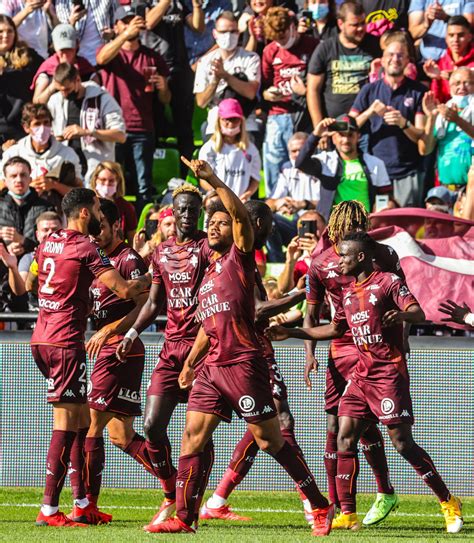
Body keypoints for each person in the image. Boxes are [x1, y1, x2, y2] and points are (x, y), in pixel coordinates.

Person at [145, 157, 334, 535]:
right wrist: (191, 362)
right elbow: (207, 323)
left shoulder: (239, 258)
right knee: (192, 436)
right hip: (212, 366)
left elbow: (239, 216)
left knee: (269, 440)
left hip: (244, 363)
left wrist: (212, 179)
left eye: (221, 223)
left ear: (235, 229)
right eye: (209, 223)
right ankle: (184, 518)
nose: (213, 227)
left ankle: (319, 504)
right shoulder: (210, 271)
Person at [268, 231, 463, 534]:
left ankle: (448, 501)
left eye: (344, 256)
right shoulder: (347, 293)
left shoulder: (387, 281)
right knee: (344, 435)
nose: (339, 261)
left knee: (402, 443)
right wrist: (292, 333)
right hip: (362, 374)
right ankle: (347, 513)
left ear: (360, 257)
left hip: (388, 373)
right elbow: (334, 330)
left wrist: (400, 316)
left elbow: (418, 312)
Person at [30, 187, 150, 527]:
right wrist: (154, 278)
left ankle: (82, 504)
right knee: (66, 423)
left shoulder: (48, 241)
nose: (100, 213)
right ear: (85, 212)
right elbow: (125, 290)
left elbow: (33, 277)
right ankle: (49, 509)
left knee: (82, 420)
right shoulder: (85, 247)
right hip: (66, 341)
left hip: (41, 337)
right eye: (97, 207)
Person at [200, 199, 311, 523]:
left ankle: (216, 500)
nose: (271, 229)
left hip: (248, 351)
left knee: (262, 429)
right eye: (266, 222)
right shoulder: (238, 259)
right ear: (256, 225)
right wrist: (301, 294)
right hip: (248, 355)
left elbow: (257, 311)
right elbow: (258, 309)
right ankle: (311, 501)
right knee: (280, 421)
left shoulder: (234, 260)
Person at [303, 200, 405, 529]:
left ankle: (374, 494)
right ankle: (343, 506)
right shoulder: (319, 264)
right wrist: (309, 352)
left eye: (358, 225)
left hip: (374, 347)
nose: (354, 231)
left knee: (375, 429)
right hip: (341, 347)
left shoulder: (382, 255)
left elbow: (403, 297)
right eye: (349, 225)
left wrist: (403, 337)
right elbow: (312, 312)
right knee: (339, 428)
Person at [116, 183, 213, 530]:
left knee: (198, 433)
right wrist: (131, 332)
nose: (187, 215)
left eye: (193, 210)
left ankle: (191, 501)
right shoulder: (162, 253)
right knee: (152, 425)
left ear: (199, 212)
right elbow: (155, 302)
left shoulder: (208, 248)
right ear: (171, 212)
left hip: (203, 347)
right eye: (182, 210)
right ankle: (172, 488)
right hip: (171, 348)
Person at [82, 198, 149, 514]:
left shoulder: (128, 260)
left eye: (100, 228)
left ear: (117, 225)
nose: (94, 236)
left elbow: (146, 306)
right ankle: (175, 484)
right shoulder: (97, 259)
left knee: (91, 425)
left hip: (120, 348)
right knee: (121, 435)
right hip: (118, 350)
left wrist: (109, 330)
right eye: (91, 230)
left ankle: (88, 505)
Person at [97, 7, 171, 212]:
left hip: (143, 126)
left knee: (143, 187)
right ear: (116, 26)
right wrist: (124, 36)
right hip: (114, 128)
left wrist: (163, 88)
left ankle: (142, 232)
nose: (131, 26)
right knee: (111, 186)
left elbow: (165, 100)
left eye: (134, 22)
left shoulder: (152, 57)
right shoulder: (113, 53)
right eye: (125, 22)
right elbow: (101, 59)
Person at [350, 34, 427, 207]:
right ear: (382, 60)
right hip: (375, 170)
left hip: (407, 171)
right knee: (376, 225)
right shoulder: (369, 90)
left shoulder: (418, 92)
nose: (395, 59)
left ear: (408, 61)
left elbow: (420, 135)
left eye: (400, 55)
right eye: (391, 55)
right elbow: (350, 126)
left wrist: (404, 123)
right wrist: (370, 112)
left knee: (408, 226)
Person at [261, 7, 318, 194]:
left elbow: (323, 85)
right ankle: (272, 209)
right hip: (278, 115)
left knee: (306, 166)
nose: (281, 43)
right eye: (277, 40)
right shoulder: (270, 51)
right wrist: (267, 95)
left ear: (293, 27)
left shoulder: (313, 45)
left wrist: (305, 91)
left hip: (305, 114)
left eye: (284, 38)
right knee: (275, 166)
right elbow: (263, 86)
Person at [306, 1, 380, 144]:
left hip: (367, 125)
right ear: (341, 24)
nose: (360, 28)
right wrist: (319, 129)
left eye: (363, 23)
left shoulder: (375, 46)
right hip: (336, 127)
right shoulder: (326, 48)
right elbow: (312, 90)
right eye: (354, 25)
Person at [145, 0, 204, 174]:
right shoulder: (144, 2)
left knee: (184, 128)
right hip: (154, 66)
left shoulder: (179, 3)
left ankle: (188, 175)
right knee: (154, 125)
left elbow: (198, 27)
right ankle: (151, 178)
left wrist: (197, 6)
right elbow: (148, 22)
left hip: (180, 68)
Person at [295, 115, 391, 221]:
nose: (346, 140)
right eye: (341, 135)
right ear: (333, 137)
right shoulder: (325, 161)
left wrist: (376, 219)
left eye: (350, 135)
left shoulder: (375, 163)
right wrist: (316, 135)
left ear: (358, 136)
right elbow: (300, 163)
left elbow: (384, 195)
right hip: (332, 227)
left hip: (364, 226)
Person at [47, 63, 126, 183]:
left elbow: (120, 136)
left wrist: (88, 132)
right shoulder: (55, 100)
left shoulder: (102, 99)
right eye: (60, 90)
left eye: (67, 89)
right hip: (66, 170)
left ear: (78, 80)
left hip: (96, 171)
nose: (64, 94)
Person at [0, 103, 82, 212]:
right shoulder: (13, 153)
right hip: (20, 213)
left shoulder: (67, 154)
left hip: (54, 217)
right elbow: (1, 186)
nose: (42, 128)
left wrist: (54, 185)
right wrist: (26, 186)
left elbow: (80, 193)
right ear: (26, 127)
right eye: (37, 124)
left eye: (46, 123)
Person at [193, 11, 261, 138]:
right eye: (223, 32)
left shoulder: (250, 58)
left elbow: (251, 92)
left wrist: (226, 76)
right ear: (215, 33)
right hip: (216, 126)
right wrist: (215, 80)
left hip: (246, 126)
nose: (228, 36)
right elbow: (201, 102)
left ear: (238, 33)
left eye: (233, 31)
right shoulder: (205, 61)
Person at [266, 131, 321, 261]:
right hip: (296, 223)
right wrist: (279, 203)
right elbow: (269, 203)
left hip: (320, 223)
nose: (297, 155)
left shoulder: (322, 167)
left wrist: (304, 204)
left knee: (309, 220)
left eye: (301, 150)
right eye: (293, 151)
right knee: (268, 220)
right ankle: (277, 263)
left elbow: (330, 203)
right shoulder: (287, 169)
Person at [420, 68, 474, 189]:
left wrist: (457, 120)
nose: (462, 87)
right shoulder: (442, 115)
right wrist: (432, 117)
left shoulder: (456, 116)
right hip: (446, 189)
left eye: (468, 82)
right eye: (457, 83)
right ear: (450, 89)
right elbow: (425, 150)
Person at [198, 98, 260, 201]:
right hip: (218, 202)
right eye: (226, 119)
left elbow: (255, 179)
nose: (230, 124)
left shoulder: (251, 149)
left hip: (241, 203)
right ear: (219, 120)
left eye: (234, 119)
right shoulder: (209, 148)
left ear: (241, 121)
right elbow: (203, 180)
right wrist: (220, 195)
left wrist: (246, 195)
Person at [0, 15, 43, 145]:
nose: (6, 35)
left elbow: (48, 69)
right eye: (1, 31)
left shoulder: (27, 55)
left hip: (21, 126)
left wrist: (41, 85)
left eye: (10, 31)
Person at [0, 156, 52, 257]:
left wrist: (23, 242)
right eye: (13, 176)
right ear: (5, 181)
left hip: (36, 264)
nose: (19, 180)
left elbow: (53, 244)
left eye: (23, 175)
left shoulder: (46, 208)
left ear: (30, 179)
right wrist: (6, 249)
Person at [32, 23, 96, 104]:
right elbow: (36, 102)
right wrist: (52, 87)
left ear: (77, 45)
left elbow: (97, 94)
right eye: (62, 50)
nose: (65, 54)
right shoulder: (47, 70)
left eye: (69, 49)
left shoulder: (85, 67)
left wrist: (81, 87)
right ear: (54, 47)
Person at [423, 16, 474, 104]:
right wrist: (437, 79)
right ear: (446, 38)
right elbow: (437, 102)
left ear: (470, 37)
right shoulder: (441, 63)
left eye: (460, 35)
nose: (455, 40)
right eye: (451, 35)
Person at [408, 0, 474, 62]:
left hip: (458, 62)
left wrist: (446, 18)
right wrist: (426, 24)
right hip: (428, 61)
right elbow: (413, 34)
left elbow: (469, 27)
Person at [54, 0, 117, 66]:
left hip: (104, 57)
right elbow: (62, 35)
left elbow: (117, 24)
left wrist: (112, 34)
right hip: (79, 62)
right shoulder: (63, 2)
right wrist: (72, 22)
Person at [89, 161, 138, 245]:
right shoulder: (87, 203)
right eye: (103, 180)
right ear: (95, 179)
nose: (107, 184)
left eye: (111, 181)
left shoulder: (126, 207)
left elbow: (131, 240)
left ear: (118, 182)